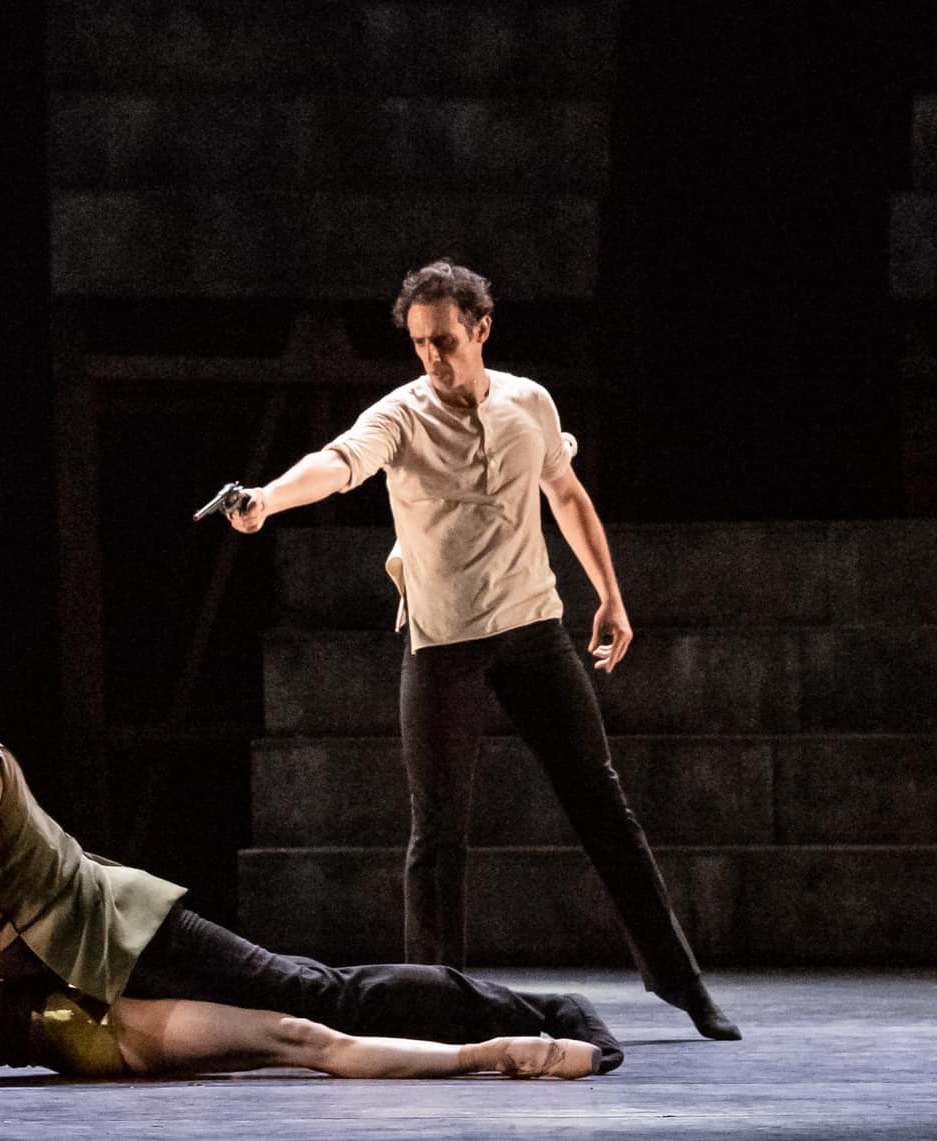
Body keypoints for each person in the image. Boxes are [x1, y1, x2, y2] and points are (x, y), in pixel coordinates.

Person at [223, 259, 739, 1041]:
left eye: (446, 340)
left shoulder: (529, 403)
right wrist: (267, 498)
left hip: (533, 631)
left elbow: (565, 492)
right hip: (444, 647)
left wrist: (610, 591)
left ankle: (682, 982)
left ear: (481, 330)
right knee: (437, 833)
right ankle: (435, 1006)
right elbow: (337, 464)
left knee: (603, 804)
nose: (432, 356)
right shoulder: (399, 415)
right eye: (420, 343)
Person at [0, 674, 623, 1087]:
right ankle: (532, 1023)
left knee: (316, 995)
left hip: (120, 929)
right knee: (293, 1025)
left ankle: (552, 1014)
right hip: (80, 968)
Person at [0, 966, 605, 1094]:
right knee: (299, 1037)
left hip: (81, 1018)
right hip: (85, 1030)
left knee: (298, 1035)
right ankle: (504, 1052)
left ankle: (502, 1049)